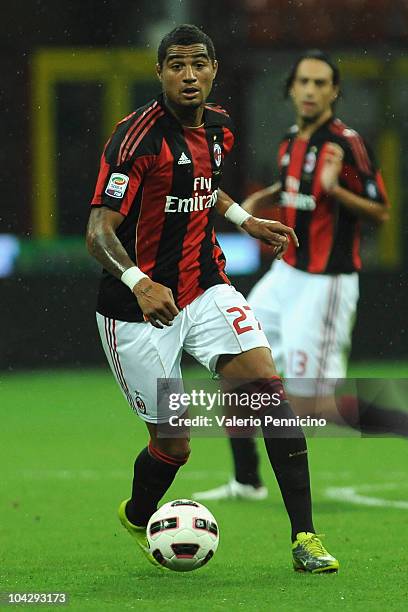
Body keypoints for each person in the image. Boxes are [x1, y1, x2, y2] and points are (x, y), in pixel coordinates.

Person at [86, 27, 339, 573]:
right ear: (160, 74)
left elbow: (207, 184)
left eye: (198, 64)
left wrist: (245, 220)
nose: (189, 75)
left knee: (268, 395)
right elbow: (98, 232)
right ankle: (137, 513)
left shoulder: (219, 127)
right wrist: (138, 281)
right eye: (176, 65)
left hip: (203, 288)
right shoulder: (136, 140)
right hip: (137, 307)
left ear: (214, 68)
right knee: (174, 447)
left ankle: (306, 538)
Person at [193, 49, 408, 503]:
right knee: (236, 365)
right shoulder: (290, 139)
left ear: (334, 91)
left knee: (316, 405)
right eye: (303, 82)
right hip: (284, 274)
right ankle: (247, 481)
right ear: (291, 88)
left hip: (325, 283)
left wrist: (336, 190)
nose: (310, 90)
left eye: (320, 83)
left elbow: (383, 212)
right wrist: (261, 199)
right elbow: (293, 187)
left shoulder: (346, 143)